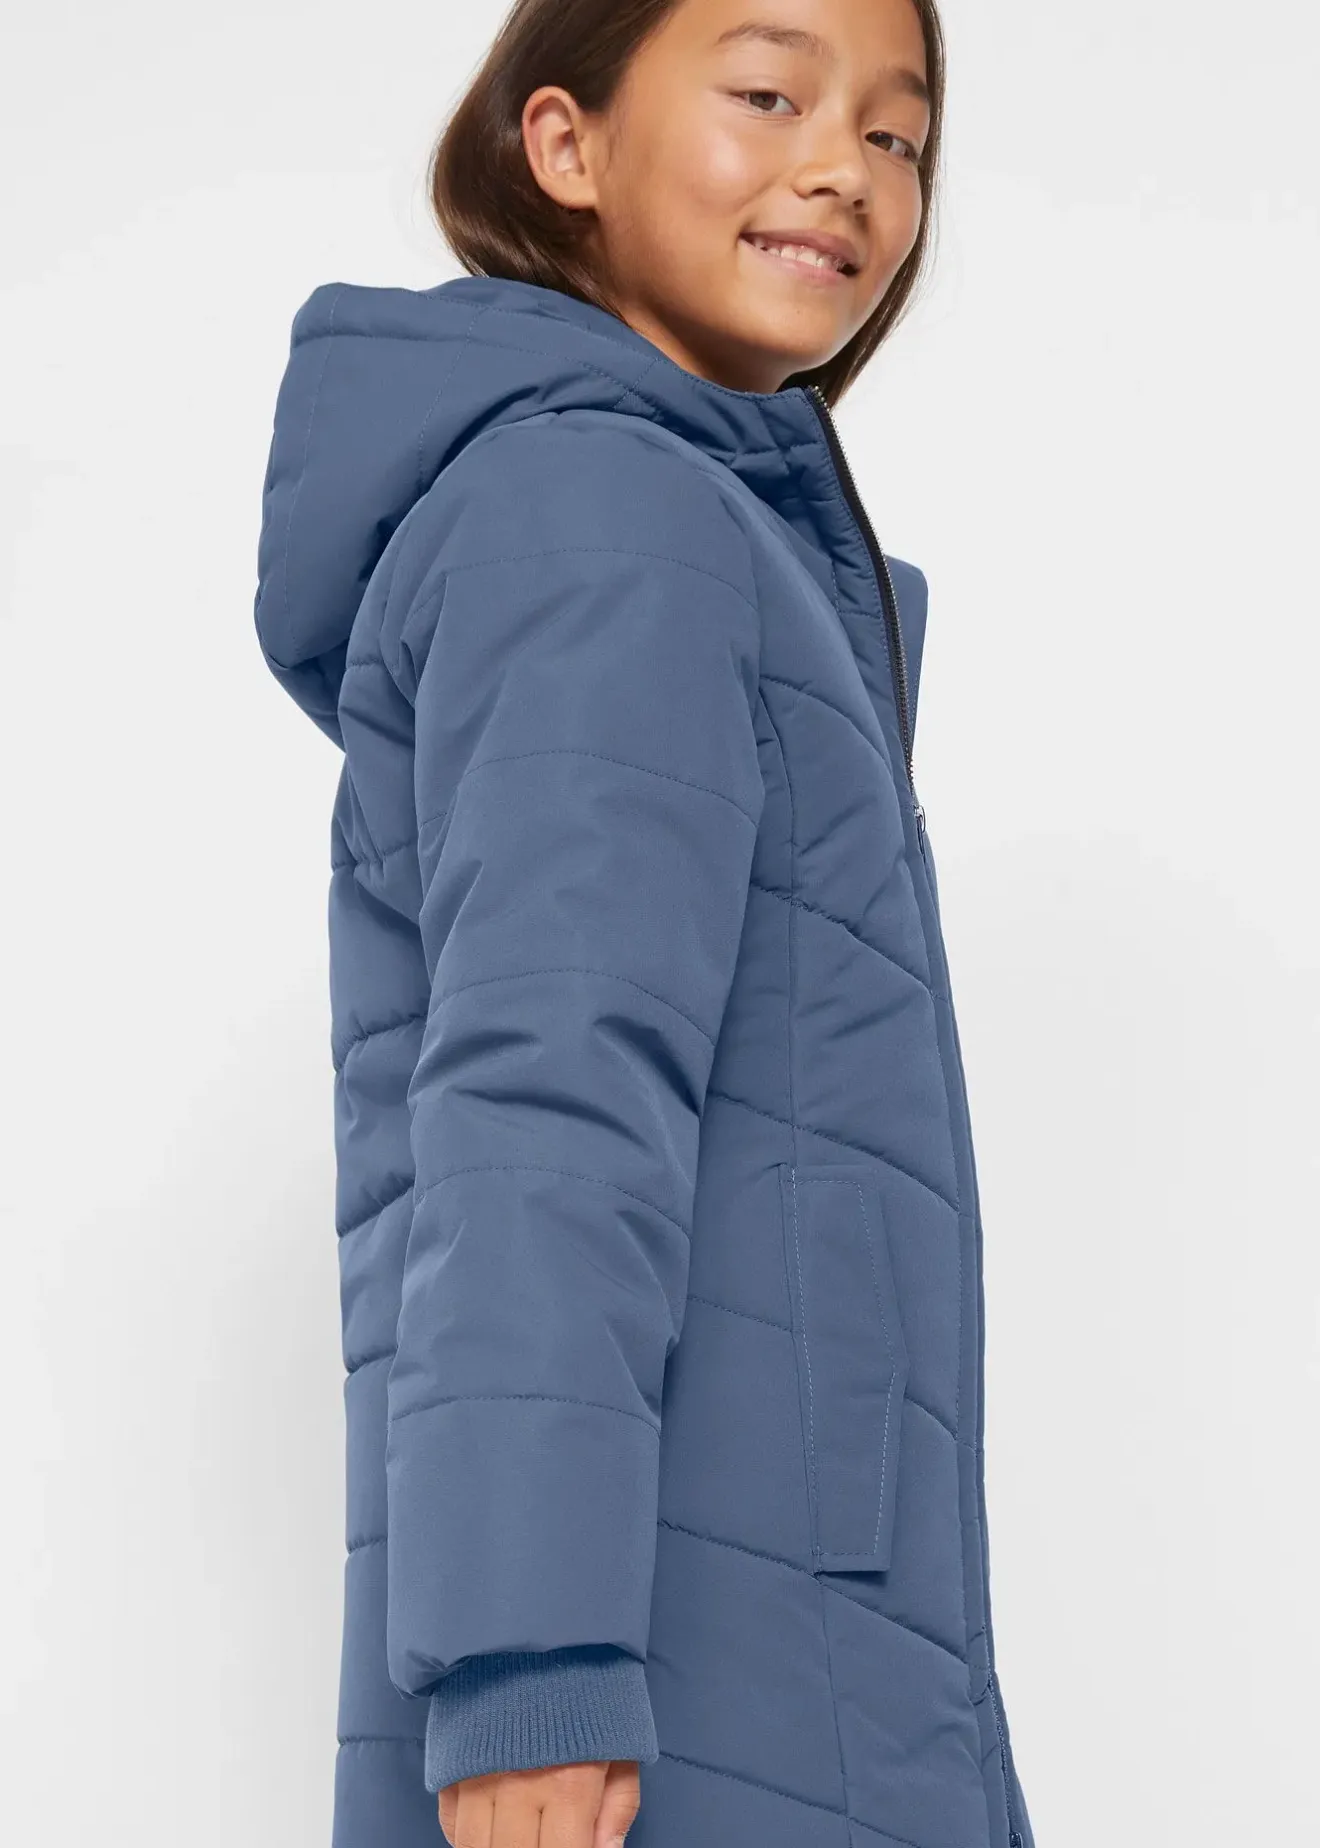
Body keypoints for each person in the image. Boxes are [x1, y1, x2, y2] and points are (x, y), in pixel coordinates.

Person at [253, 1, 1037, 1844]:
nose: (846, 169)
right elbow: (545, 1095)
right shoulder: (603, 512)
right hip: (680, 1674)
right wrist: (529, 1666)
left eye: (899, 135)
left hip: (769, 1636)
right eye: (770, 92)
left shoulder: (680, 524)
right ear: (566, 145)